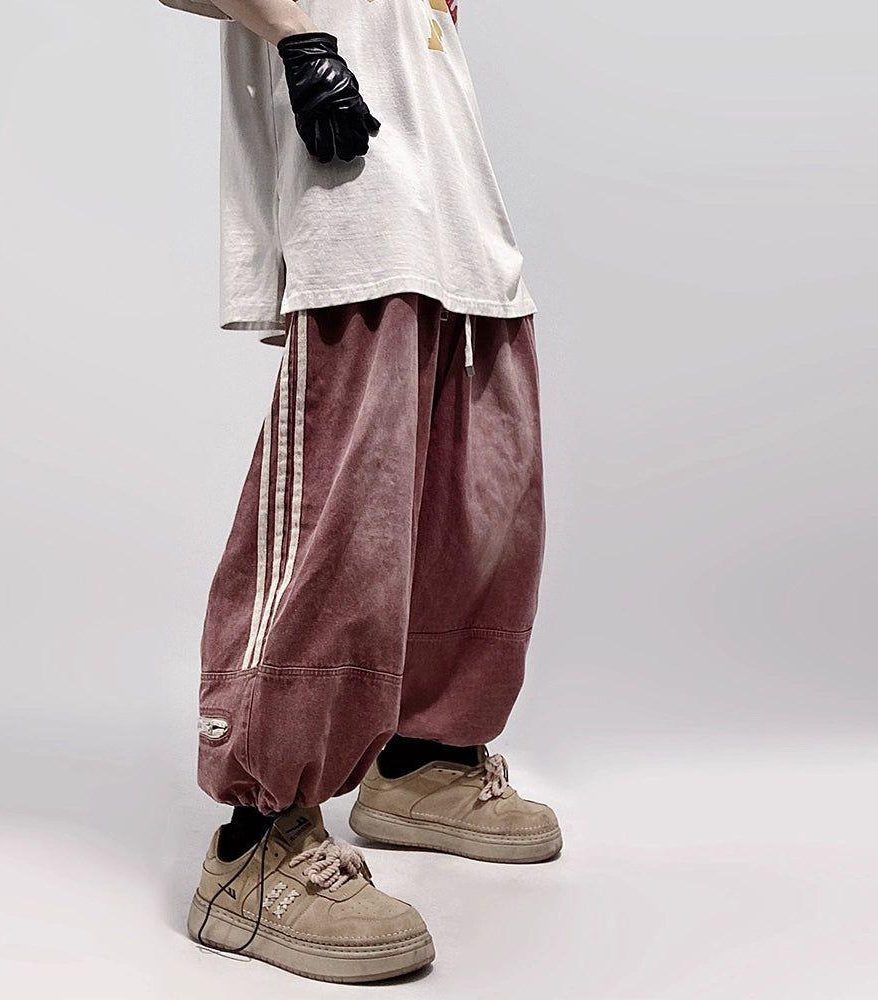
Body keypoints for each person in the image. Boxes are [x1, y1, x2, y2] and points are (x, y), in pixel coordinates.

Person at [160, 0, 561, 983]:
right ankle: (257, 844)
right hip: (357, 199)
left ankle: (424, 760)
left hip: (456, 202)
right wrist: (299, 40)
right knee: (343, 525)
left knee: (481, 510)